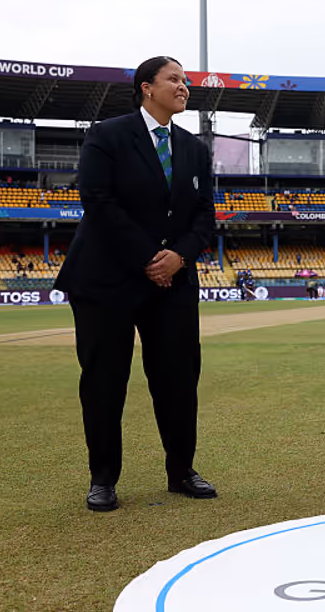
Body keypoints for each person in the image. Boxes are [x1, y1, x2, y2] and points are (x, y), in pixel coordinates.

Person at [54, 56, 217, 513]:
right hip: (107, 277)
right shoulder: (107, 135)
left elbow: (205, 214)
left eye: (185, 81)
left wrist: (178, 257)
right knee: (105, 380)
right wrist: (150, 257)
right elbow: (98, 201)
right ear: (147, 88)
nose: (184, 87)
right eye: (174, 79)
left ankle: (182, 470)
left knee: (179, 379)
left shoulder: (194, 149)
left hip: (174, 279)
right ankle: (103, 478)